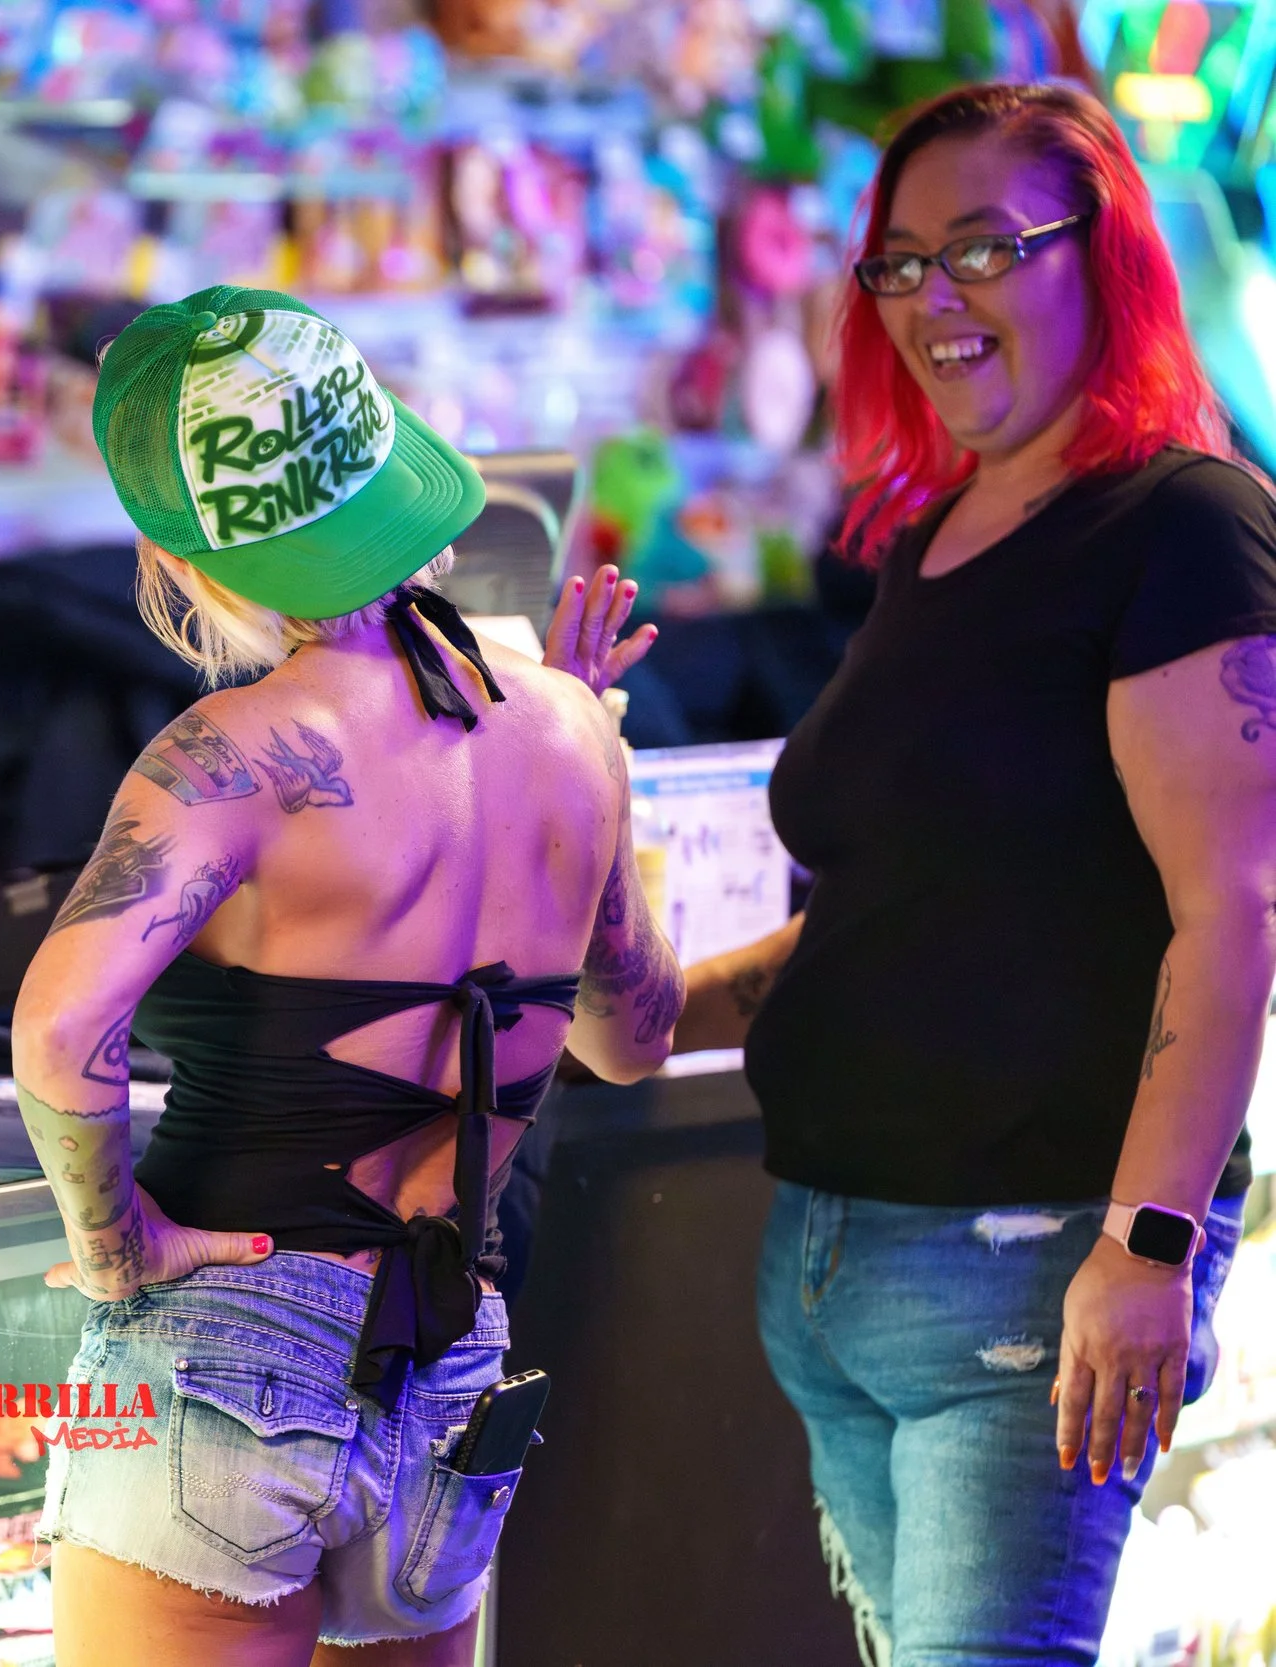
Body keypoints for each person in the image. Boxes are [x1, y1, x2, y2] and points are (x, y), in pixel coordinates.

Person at [670, 84, 1276, 1665]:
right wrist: (652, 998)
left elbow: (1236, 906)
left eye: (987, 250)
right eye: (902, 263)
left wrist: (1150, 1241)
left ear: (1107, 256)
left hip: (1028, 1272)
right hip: (832, 1259)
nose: (938, 297)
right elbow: (900, 897)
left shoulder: (1182, 524)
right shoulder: (933, 535)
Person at [11, 287, 679, 1666]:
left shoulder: (232, 751)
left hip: (227, 1343)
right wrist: (590, 759)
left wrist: (112, 1242)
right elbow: (632, 1035)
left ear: (184, 557)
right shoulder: (567, 726)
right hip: (451, 1356)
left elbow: (60, 1029)